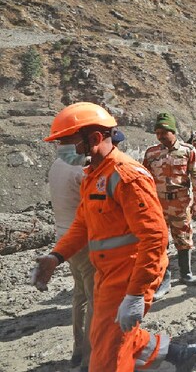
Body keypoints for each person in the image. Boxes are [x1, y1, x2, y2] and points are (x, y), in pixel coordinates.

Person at [31, 102, 196, 371]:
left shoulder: (126, 176)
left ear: (96, 138)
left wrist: (135, 294)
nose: (62, 149)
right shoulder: (93, 175)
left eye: (67, 142)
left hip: (129, 275)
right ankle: (172, 352)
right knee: (106, 335)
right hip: (106, 273)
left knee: (106, 359)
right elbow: (82, 224)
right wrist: (56, 256)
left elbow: (155, 238)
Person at [142, 112, 196, 297]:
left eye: (164, 132)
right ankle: (164, 280)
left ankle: (186, 274)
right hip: (157, 204)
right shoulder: (151, 153)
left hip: (180, 203)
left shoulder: (188, 150)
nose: (160, 136)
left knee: (184, 239)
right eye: (158, 132)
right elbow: (144, 178)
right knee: (160, 242)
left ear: (173, 131)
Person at [48, 130, 94, 371]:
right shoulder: (80, 172)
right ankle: (90, 357)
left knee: (79, 296)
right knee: (95, 298)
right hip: (82, 240)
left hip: (64, 239)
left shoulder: (56, 164)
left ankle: (78, 350)